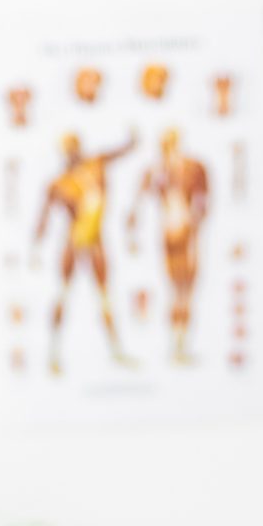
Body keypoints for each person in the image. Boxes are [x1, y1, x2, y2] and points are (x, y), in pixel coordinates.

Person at [32, 129, 139, 373]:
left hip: (95, 239)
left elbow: (119, 152)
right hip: (74, 239)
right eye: (67, 149)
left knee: (104, 296)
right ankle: (53, 353)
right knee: (63, 293)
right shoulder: (59, 184)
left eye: (74, 147)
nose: (72, 153)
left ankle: (116, 350)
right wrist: (36, 249)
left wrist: (132, 140)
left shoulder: (95, 165)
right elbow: (43, 218)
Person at [126, 127, 210, 364]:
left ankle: (180, 344)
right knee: (178, 291)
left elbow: (202, 201)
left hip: (185, 230)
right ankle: (177, 346)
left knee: (186, 290)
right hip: (172, 233)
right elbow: (138, 202)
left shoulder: (193, 168)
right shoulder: (157, 171)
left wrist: (194, 222)